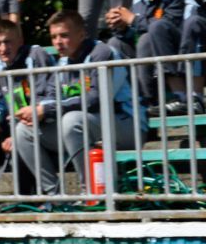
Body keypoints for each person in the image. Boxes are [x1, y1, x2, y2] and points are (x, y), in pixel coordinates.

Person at [14, 11, 144, 196]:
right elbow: (50, 96)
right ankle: (55, 196)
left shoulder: (102, 53)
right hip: (91, 126)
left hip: (128, 124)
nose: (58, 41)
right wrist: (36, 111)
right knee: (23, 131)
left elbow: (95, 100)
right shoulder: (62, 62)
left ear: (82, 34)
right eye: (54, 37)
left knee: (72, 120)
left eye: (64, 35)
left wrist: (47, 109)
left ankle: (90, 194)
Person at [0, 19, 53, 197]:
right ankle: (23, 197)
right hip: (18, 124)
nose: (3, 48)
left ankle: (39, 196)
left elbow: (46, 98)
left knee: (19, 134)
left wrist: (16, 133)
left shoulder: (36, 55)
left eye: (7, 41)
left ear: (20, 40)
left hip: (47, 120)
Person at [105, 0, 186, 104]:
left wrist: (132, 19)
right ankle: (129, 98)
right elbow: (132, 33)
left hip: (177, 55)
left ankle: (148, 100)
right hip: (149, 60)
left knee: (147, 38)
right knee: (115, 44)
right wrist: (121, 26)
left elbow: (165, 27)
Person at [173, 0, 206, 115]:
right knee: (157, 29)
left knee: (194, 22)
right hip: (192, 53)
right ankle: (181, 96)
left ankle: (195, 96)